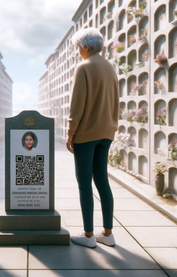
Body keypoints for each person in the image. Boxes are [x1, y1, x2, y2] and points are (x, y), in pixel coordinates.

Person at [66, 28, 119, 248]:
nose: (78, 52)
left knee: (84, 183)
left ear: (86, 47)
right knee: (102, 181)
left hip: (86, 134)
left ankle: (88, 235)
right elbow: (116, 100)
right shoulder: (110, 67)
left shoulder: (84, 67)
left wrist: (70, 133)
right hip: (106, 132)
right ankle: (107, 233)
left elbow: (77, 105)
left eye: (79, 47)